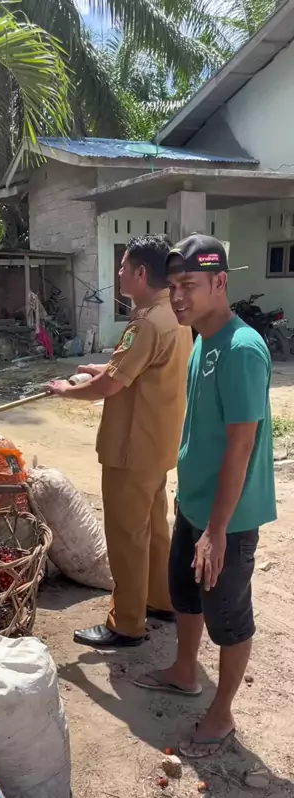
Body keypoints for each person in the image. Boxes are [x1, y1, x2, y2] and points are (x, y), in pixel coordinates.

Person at [134, 234, 276, 758]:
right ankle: (184, 670)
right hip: (194, 502)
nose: (177, 297)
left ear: (220, 282)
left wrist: (216, 532)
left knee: (229, 617)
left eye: (189, 285)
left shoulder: (241, 350)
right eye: (173, 285)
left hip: (228, 519)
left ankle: (222, 714)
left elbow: (241, 447)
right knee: (185, 593)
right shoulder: (202, 341)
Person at [47, 234, 192, 649]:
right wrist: (102, 368)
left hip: (131, 449)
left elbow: (110, 386)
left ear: (141, 273)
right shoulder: (172, 314)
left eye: (124, 266)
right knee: (155, 529)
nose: (120, 273)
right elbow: (136, 370)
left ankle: (127, 623)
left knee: (127, 537)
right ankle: (161, 600)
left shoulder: (146, 322)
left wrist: (66, 390)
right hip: (158, 444)